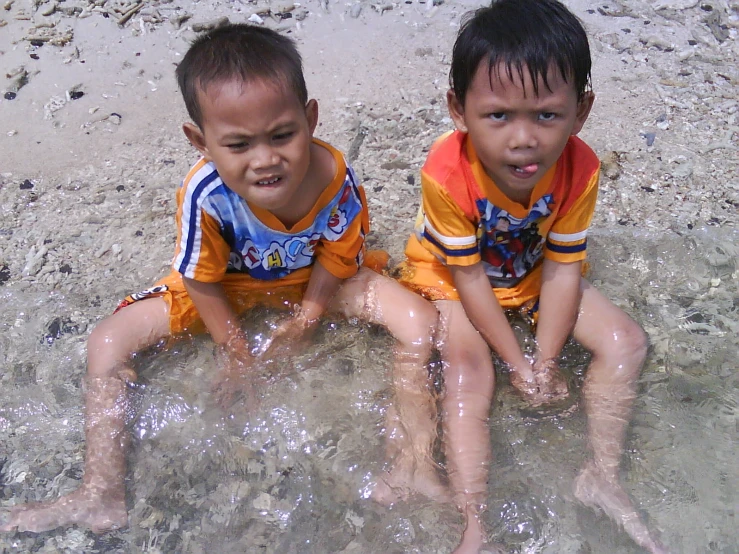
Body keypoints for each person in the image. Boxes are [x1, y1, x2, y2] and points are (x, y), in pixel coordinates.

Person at [0, 23, 441, 535]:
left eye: (283, 135)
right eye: (238, 144)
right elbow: (203, 280)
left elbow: (339, 256)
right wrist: (234, 350)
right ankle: (100, 492)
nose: (266, 160)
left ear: (311, 118)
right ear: (200, 142)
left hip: (309, 278)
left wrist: (309, 316)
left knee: (420, 320)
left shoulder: (334, 175)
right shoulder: (206, 194)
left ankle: (411, 463)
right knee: (107, 342)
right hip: (226, 286)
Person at [394, 1, 670, 553]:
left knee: (626, 342)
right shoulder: (447, 174)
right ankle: (473, 520)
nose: (524, 139)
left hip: (533, 269)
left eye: (547, 115)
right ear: (459, 109)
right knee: (471, 375)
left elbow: (565, 266)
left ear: (580, 111)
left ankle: (602, 475)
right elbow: (468, 278)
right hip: (452, 276)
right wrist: (518, 364)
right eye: (498, 116)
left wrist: (546, 362)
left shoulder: (580, 167)